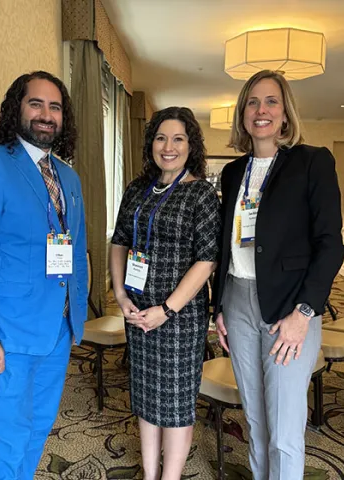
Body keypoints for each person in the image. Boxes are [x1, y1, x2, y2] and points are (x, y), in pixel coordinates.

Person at [0, 71, 88, 480]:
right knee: (5, 441)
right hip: (6, 337)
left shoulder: (69, 178)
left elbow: (74, 251)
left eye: (55, 107)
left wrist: (75, 319)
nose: (46, 114)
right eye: (36, 104)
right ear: (17, 109)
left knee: (37, 431)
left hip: (57, 332)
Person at [212, 69, 344, 479]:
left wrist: (304, 313)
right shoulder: (234, 172)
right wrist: (219, 307)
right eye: (252, 102)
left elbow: (330, 244)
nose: (261, 110)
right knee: (255, 420)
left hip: (290, 308)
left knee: (284, 431)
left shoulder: (312, 162)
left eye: (271, 101)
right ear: (243, 114)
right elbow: (225, 244)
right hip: (237, 302)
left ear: (286, 113)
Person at [110, 106, 221, 480]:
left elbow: (206, 260)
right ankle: (148, 471)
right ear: (151, 143)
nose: (168, 146)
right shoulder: (137, 189)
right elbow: (119, 242)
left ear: (192, 146)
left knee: (175, 404)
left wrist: (167, 310)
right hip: (138, 311)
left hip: (179, 318)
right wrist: (121, 295)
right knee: (145, 396)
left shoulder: (201, 194)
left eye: (178, 138)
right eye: (161, 137)